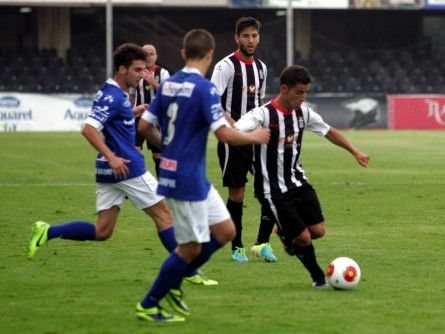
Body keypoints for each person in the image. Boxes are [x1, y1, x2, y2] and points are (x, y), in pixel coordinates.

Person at [26, 43, 215, 286]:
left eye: (143, 69)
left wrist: (132, 113)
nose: (142, 75)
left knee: (102, 231)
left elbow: (111, 121)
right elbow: (89, 129)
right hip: (125, 166)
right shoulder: (114, 96)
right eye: (137, 70)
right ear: (122, 70)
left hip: (107, 169)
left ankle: (46, 231)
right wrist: (113, 157)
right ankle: (188, 272)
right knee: (164, 214)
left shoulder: (116, 94)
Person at [136, 29, 270, 322]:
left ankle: (172, 281)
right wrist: (255, 137)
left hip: (189, 175)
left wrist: (168, 147)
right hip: (185, 179)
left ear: (183, 54)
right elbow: (223, 134)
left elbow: (145, 127)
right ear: (209, 55)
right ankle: (151, 301)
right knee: (190, 249)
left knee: (225, 231)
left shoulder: (169, 85)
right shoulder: (204, 88)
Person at [234, 65, 369, 288]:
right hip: (272, 190)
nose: (303, 98)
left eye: (306, 93)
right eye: (299, 93)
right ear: (284, 88)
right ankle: (318, 279)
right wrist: (252, 136)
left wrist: (355, 151)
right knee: (304, 238)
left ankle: (284, 232)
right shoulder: (262, 114)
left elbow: (328, 131)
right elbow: (235, 131)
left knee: (318, 231)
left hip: (298, 182)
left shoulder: (303, 113)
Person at [210, 16, 277, 263]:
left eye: (254, 36)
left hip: (255, 138)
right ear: (237, 38)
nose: (251, 40)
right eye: (246, 36)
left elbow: (258, 104)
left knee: (270, 188)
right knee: (237, 192)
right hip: (232, 140)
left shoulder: (261, 68)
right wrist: (237, 129)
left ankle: (262, 243)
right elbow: (212, 102)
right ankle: (236, 247)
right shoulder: (225, 66)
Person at [133, 44, 171, 176]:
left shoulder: (163, 73)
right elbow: (132, 94)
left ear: (156, 56)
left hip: (156, 120)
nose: (148, 57)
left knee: (158, 155)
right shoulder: (135, 72)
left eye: (151, 54)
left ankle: (162, 189)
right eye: (145, 54)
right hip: (138, 118)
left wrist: (153, 83)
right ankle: (131, 185)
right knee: (133, 151)